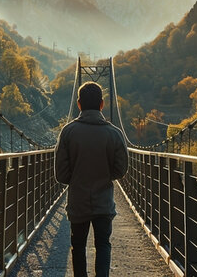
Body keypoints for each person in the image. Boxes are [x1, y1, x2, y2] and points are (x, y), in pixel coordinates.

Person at [55, 81, 128, 277]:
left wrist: (79, 177)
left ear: (79, 104)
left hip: (78, 202)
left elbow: (61, 175)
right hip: (104, 202)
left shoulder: (68, 132)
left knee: (78, 246)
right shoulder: (114, 133)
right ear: (102, 104)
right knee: (103, 244)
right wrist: (103, 175)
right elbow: (120, 171)